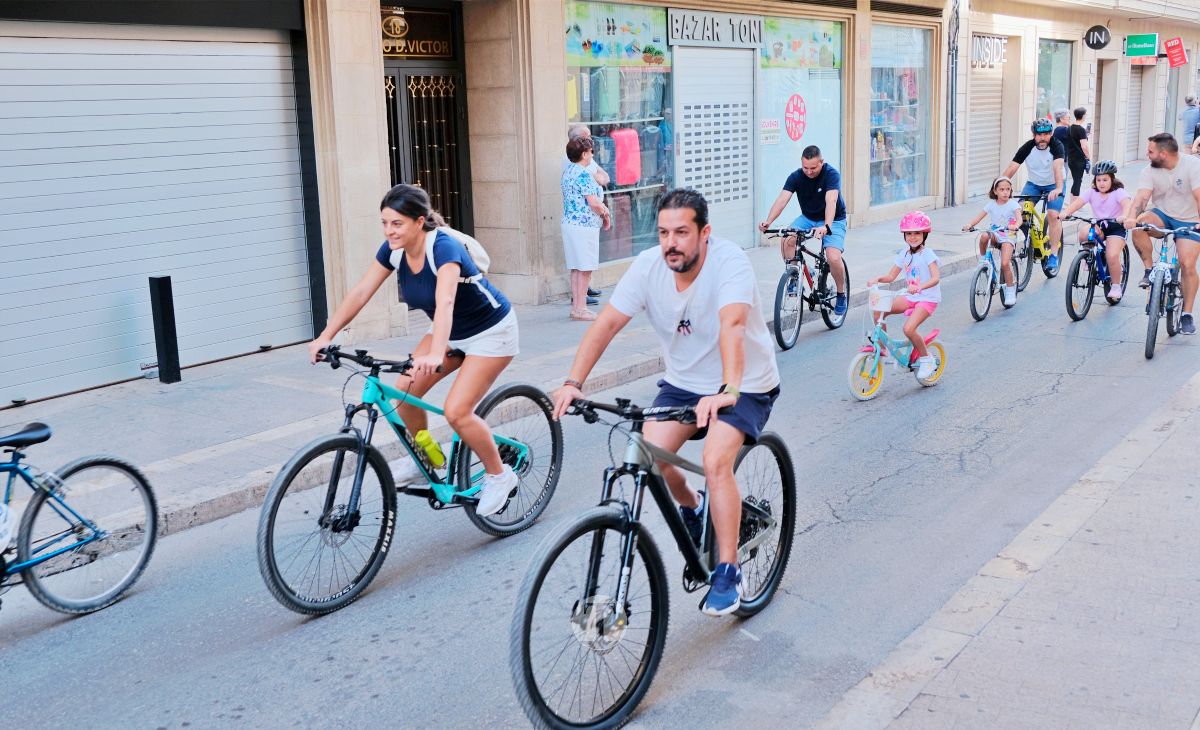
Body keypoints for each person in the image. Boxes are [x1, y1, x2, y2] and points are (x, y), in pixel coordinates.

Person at [552, 188, 781, 617]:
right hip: (684, 383)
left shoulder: (729, 264)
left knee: (716, 461)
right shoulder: (648, 268)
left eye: (681, 232)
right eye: (662, 233)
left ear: (704, 232)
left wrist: (729, 390)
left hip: (744, 381)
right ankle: (694, 510)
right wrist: (573, 381)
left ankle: (728, 571)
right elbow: (606, 325)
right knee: (650, 453)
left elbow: (732, 326)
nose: (670, 243)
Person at [307, 184, 520, 515]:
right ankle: (424, 457)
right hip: (449, 332)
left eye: (397, 223)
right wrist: (326, 335)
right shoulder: (394, 250)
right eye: (385, 223)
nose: (389, 231)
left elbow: (445, 300)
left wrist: (436, 353)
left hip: (491, 331)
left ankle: (499, 475)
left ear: (419, 221)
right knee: (404, 391)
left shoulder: (444, 248)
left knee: (457, 411)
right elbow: (362, 291)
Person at [1123, 133, 1200, 335]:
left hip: (1191, 219)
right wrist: (1132, 216)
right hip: (1163, 214)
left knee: (1187, 264)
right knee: (1139, 226)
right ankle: (1149, 271)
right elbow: (1141, 198)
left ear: (1163, 154)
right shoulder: (1150, 170)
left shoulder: (1192, 166)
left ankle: (1187, 314)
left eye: (1150, 151)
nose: (1147, 155)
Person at [758, 145, 850, 315]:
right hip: (808, 217)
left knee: (833, 257)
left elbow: (831, 201)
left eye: (813, 167)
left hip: (833, 219)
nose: (809, 172)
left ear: (821, 162)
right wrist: (768, 221)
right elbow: (782, 199)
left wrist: (826, 226)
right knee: (787, 239)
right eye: (805, 167)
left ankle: (841, 293)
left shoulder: (831, 174)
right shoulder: (796, 177)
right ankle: (795, 275)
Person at [866, 211, 942, 380]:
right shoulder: (904, 254)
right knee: (879, 309)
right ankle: (882, 348)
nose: (913, 237)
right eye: (909, 233)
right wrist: (877, 279)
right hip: (911, 296)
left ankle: (926, 359)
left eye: (917, 233)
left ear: (925, 234)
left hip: (927, 298)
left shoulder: (928, 254)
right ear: (904, 235)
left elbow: (936, 278)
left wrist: (920, 287)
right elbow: (891, 277)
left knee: (908, 329)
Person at [1001, 119, 1066, 272]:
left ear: (1051, 134)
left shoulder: (1057, 146)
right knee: (1020, 211)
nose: (1042, 138)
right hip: (1034, 185)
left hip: (1054, 184)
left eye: (1046, 134)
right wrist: (1000, 186)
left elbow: (1058, 168)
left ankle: (1054, 255)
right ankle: (1030, 238)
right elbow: (1012, 167)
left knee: (1053, 214)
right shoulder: (1028, 147)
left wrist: (1058, 188)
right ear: (1033, 135)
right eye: (1039, 134)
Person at [1061, 160, 1132, 300]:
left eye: (1105, 179)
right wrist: (1066, 212)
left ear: (1112, 179)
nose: (1101, 183)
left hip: (1116, 227)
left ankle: (1116, 286)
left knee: (1112, 256)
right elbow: (1078, 203)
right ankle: (1088, 257)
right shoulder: (1092, 192)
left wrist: (1124, 216)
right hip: (1099, 225)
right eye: (1098, 180)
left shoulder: (1119, 192)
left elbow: (1127, 204)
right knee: (1084, 233)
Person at [561, 137, 611, 321]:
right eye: (590, 151)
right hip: (583, 226)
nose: (592, 154)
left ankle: (576, 308)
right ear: (583, 154)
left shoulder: (569, 172)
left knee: (576, 267)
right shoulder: (582, 174)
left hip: (571, 224)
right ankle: (581, 309)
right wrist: (606, 214)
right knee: (585, 268)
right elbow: (594, 203)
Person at [962, 176, 1022, 307]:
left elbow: (1019, 219)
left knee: (1005, 263)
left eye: (1008, 189)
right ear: (995, 191)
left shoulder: (1013, 204)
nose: (1005, 192)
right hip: (995, 233)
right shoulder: (991, 204)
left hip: (1008, 235)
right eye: (1002, 189)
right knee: (984, 236)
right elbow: (978, 217)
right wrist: (969, 225)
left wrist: (1015, 225)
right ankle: (983, 259)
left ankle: (1010, 290)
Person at [1062, 108, 1091, 198]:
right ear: (1083, 116)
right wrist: (1088, 157)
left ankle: (1072, 204)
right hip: (1079, 159)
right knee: (1078, 182)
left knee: (1076, 181)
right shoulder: (1081, 130)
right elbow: (1084, 146)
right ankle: (1073, 205)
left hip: (1071, 158)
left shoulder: (1070, 128)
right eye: (1085, 114)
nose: (1086, 116)